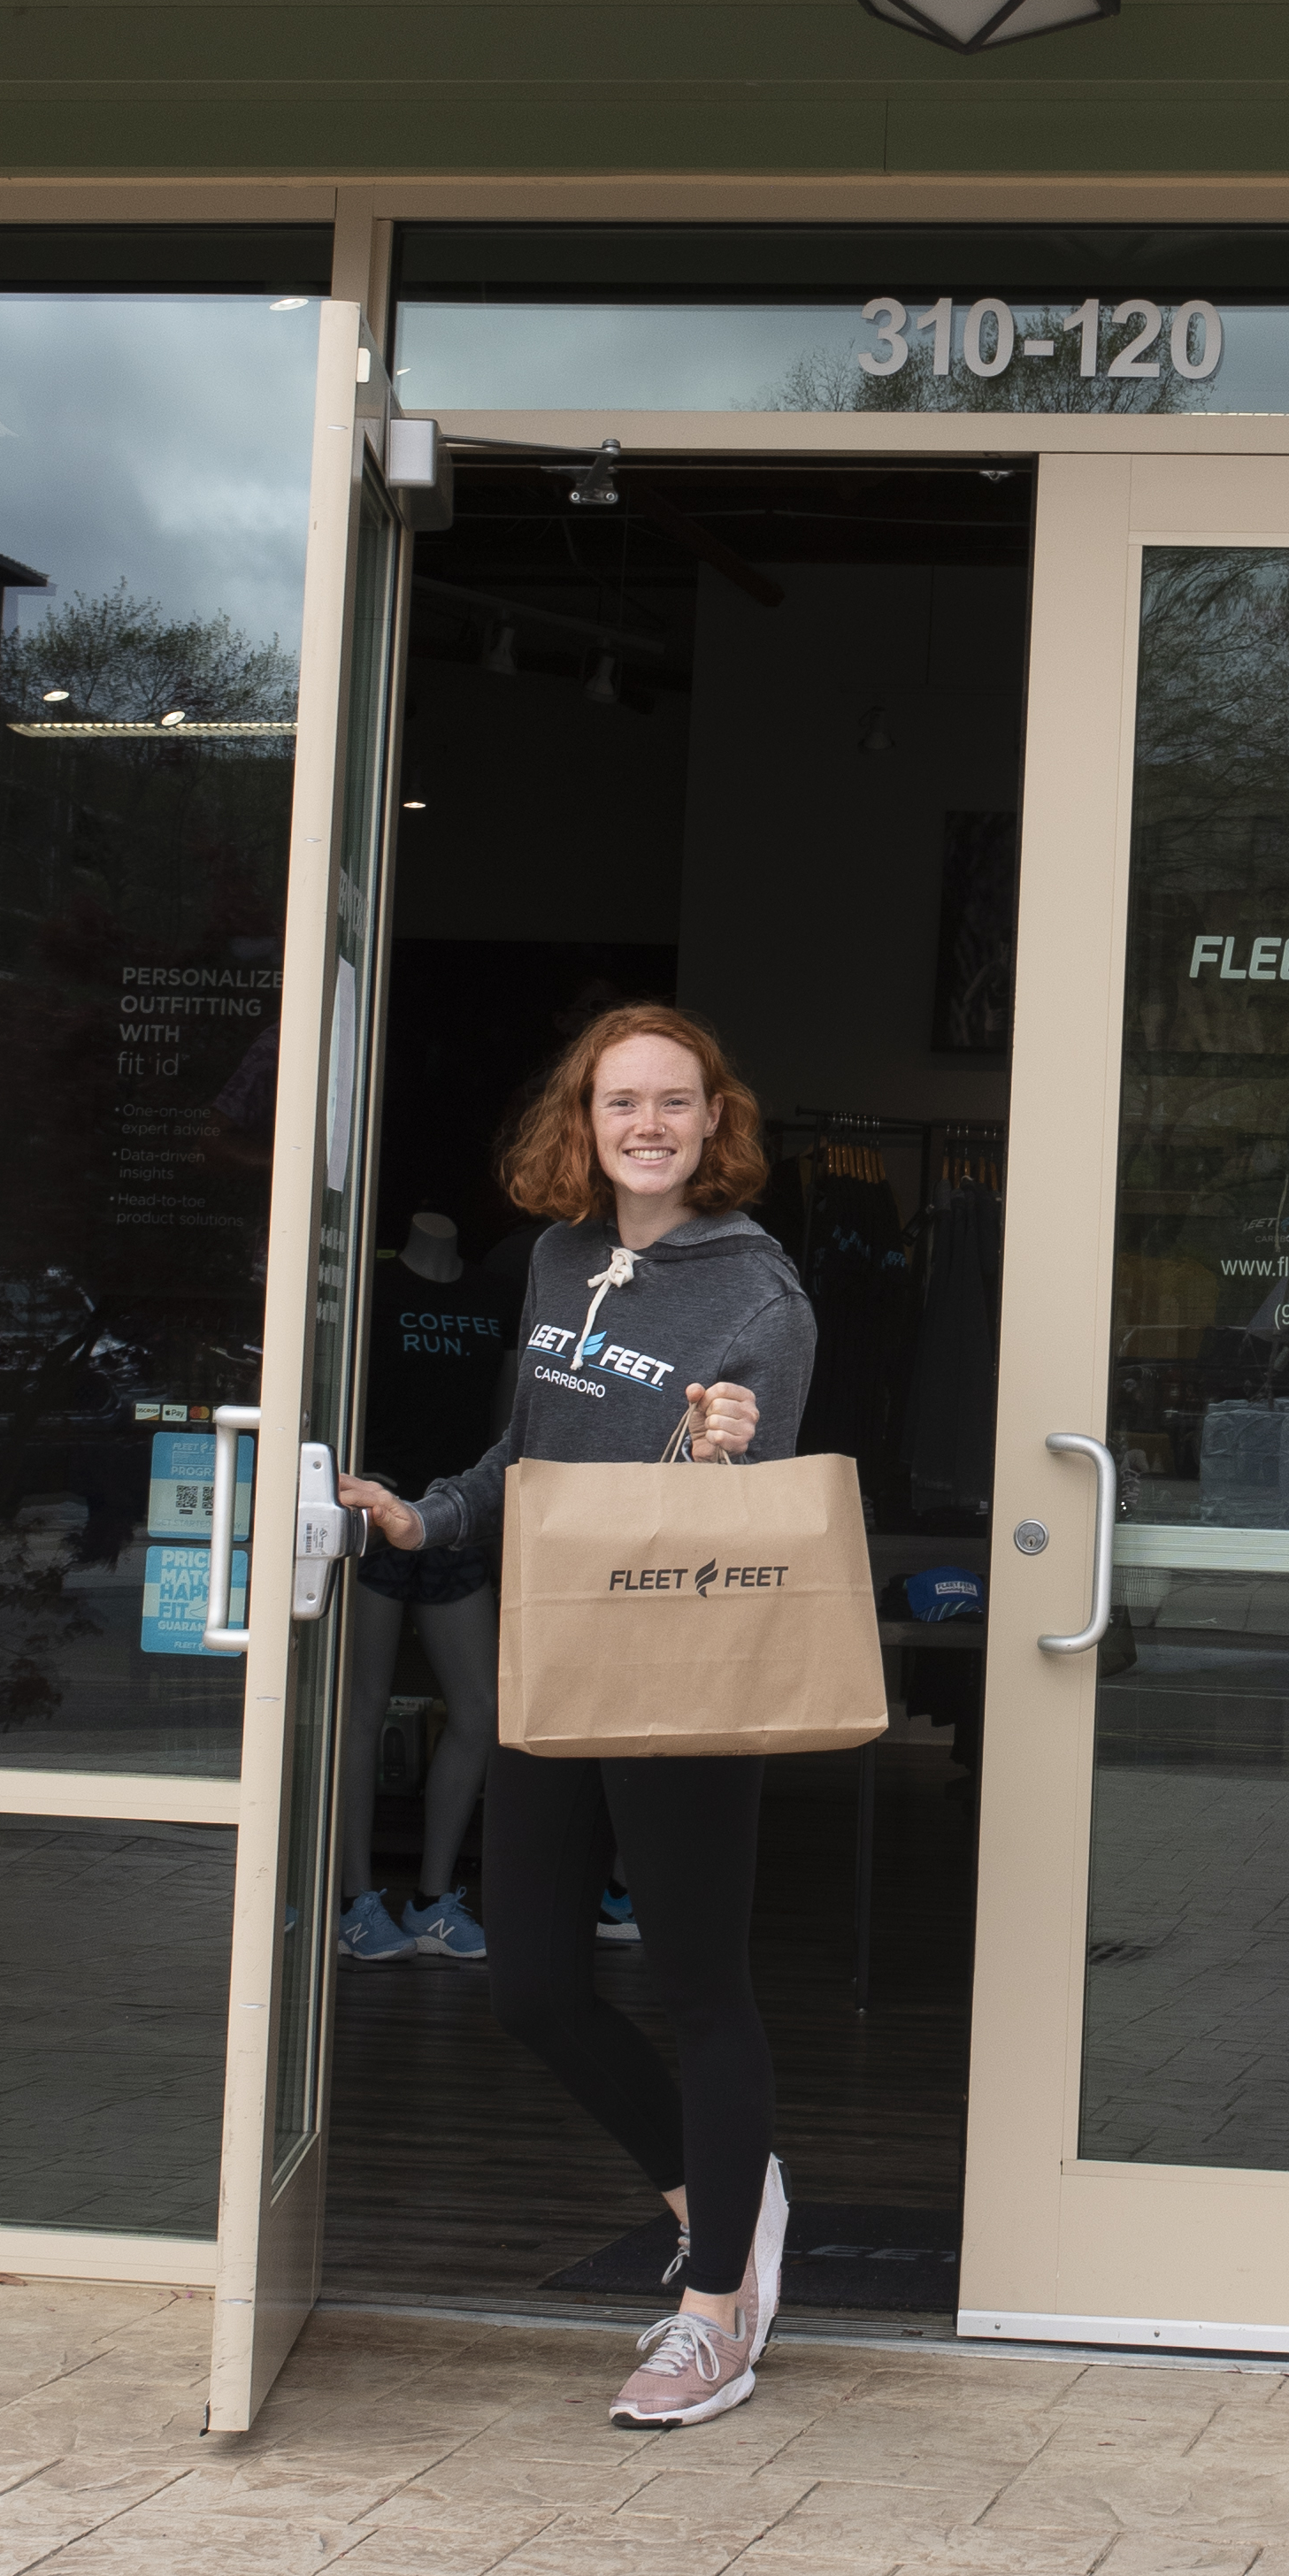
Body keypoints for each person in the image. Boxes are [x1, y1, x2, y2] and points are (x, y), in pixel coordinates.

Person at [341, 1007, 817, 2434]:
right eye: (623, 1100)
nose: (649, 1123)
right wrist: (428, 1514)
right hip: (555, 1657)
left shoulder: (760, 1291)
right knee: (532, 1984)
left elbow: (757, 1491)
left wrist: (728, 1442)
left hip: (680, 1674)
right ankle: (725, 2199)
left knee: (696, 1983)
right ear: (584, 1118)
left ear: (714, 1119)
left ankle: (712, 2310)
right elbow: (523, 1452)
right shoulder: (555, 1258)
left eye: (676, 1100)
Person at [337, 1212, 509, 1966]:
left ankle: (434, 1897)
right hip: (376, 1514)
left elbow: (508, 1418)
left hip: (455, 1521)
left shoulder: (493, 1292)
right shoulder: (371, 1284)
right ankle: (352, 1897)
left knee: (482, 1708)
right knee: (360, 1708)